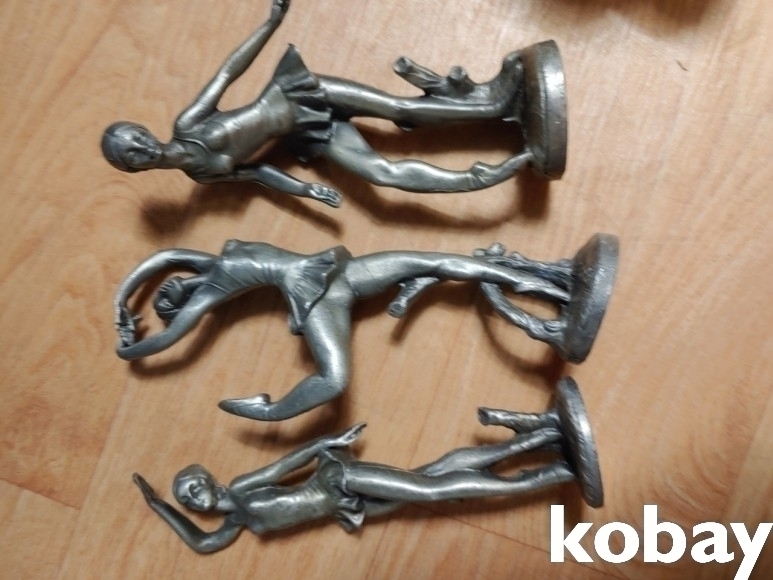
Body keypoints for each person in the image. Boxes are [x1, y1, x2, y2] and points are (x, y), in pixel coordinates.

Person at [101, 0, 544, 206]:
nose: (141, 147)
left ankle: (498, 106)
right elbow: (258, 174)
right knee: (381, 175)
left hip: (298, 93)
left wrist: (270, 23)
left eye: (136, 137)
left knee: (400, 110)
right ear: (133, 169)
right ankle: (482, 178)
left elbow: (227, 73)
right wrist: (305, 191)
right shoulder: (201, 174)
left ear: (144, 129)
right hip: (307, 132)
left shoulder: (188, 126)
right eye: (131, 154)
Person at [114, 240, 571, 421]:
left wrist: (123, 300)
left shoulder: (206, 261)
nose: (166, 292)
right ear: (184, 307)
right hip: (316, 299)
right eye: (167, 302)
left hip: (339, 272)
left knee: (434, 260)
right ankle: (271, 411)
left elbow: (163, 257)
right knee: (334, 380)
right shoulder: (211, 290)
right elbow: (169, 337)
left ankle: (548, 282)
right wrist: (129, 351)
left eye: (163, 292)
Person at [133, 408, 578, 553]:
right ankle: (542, 440)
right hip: (349, 507)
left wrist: (328, 441)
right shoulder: (237, 523)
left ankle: (547, 465)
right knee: (435, 474)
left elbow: (285, 466)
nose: (195, 498)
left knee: (433, 488)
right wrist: (158, 505)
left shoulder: (243, 487)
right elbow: (202, 543)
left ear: (209, 479)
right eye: (188, 499)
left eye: (194, 486)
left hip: (339, 480)